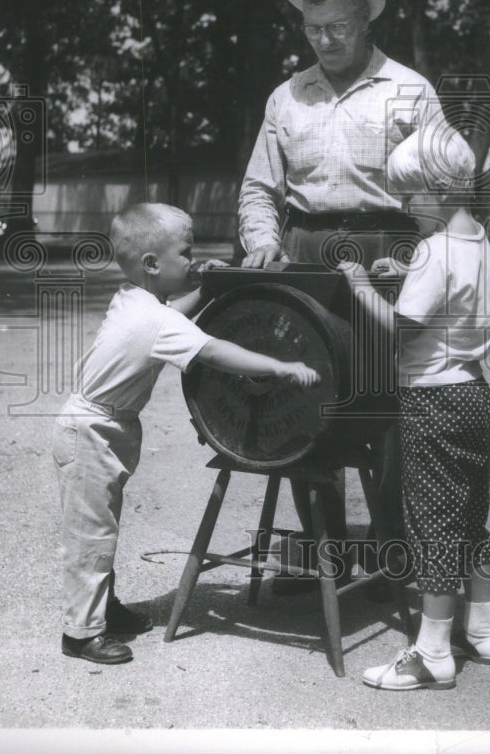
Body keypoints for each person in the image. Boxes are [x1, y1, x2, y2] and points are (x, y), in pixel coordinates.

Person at [238, 0, 444, 561]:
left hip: (387, 254)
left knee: (392, 403)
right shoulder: (288, 96)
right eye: (312, 28)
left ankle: (394, 547)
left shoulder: (410, 89)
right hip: (305, 254)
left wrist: (424, 261)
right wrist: (263, 241)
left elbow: (435, 192)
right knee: (308, 400)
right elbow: (258, 187)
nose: (324, 40)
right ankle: (322, 547)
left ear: (365, 22)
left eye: (338, 27)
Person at [53, 202, 319, 664]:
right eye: (187, 251)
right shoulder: (156, 320)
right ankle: (81, 634)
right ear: (153, 264)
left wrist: (203, 284)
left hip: (103, 425)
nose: (193, 258)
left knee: (103, 527)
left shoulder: (136, 299)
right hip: (91, 430)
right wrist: (279, 365)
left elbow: (175, 312)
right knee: (91, 536)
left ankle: (102, 610)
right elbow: (212, 350)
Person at [339, 125, 490, 690]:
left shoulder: (432, 250)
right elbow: (448, 299)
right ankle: (482, 630)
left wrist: (360, 286)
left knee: (432, 525)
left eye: (410, 195)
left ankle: (433, 651)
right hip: (473, 393)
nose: (405, 206)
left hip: (433, 397)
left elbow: (403, 333)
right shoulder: (477, 238)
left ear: (440, 188)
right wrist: (404, 276)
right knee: (469, 518)